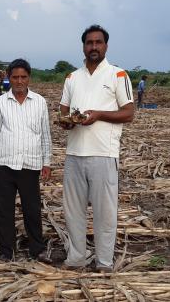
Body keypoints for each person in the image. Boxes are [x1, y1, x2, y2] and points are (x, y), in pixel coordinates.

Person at [59, 25, 134, 272]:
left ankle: (103, 262)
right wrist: (69, 121)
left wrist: (99, 114)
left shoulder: (118, 75)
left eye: (98, 42)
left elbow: (128, 113)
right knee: (73, 213)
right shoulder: (72, 77)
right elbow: (63, 112)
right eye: (89, 42)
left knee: (105, 214)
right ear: (83, 46)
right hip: (74, 153)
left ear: (106, 46)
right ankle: (77, 258)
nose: (93, 47)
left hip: (104, 153)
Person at [0, 59, 52, 263]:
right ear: (8, 78)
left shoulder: (39, 102)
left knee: (32, 209)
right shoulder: (0, 103)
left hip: (30, 165)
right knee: (3, 210)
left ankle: (37, 250)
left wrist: (46, 161)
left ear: (29, 78)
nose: (19, 81)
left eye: (23, 77)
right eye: (15, 77)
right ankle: (7, 252)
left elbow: (45, 134)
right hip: (5, 165)